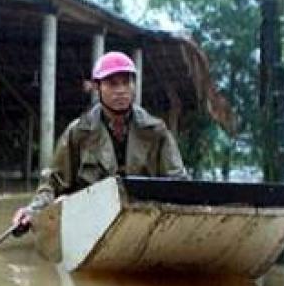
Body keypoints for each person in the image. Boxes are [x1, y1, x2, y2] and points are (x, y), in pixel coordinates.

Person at [12, 51, 187, 228]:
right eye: (112, 84)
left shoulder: (156, 132)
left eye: (126, 82)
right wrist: (32, 211)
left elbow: (178, 183)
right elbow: (53, 182)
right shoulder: (78, 132)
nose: (121, 90)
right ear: (97, 87)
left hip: (144, 217)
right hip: (92, 218)